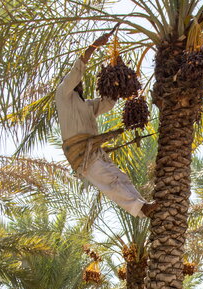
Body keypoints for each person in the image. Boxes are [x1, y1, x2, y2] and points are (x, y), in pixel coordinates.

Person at [55, 29, 157, 218]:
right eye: (75, 82)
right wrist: (94, 47)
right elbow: (77, 69)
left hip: (94, 150)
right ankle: (140, 209)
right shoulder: (63, 94)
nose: (79, 84)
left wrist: (119, 77)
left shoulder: (86, 105)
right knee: (110, 181)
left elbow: (107, 103)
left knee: (120, 178)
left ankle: (143, 207)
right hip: (82, 154)